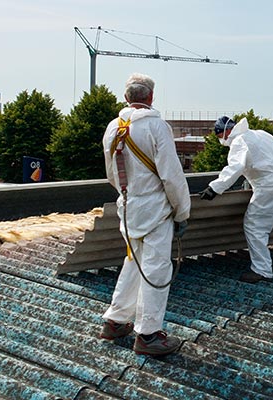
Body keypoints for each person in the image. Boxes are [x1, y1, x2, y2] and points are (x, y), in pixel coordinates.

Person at [99, 73, 191, 357]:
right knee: (155, 269)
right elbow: (172, 177)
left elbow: (112, 175)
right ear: (150, 97)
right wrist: (182, 211)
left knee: (134, 263)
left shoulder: (113, 128)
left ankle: (116, 321)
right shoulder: (157, 127)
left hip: (128, 208)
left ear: (126, 97)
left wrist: (132, 196)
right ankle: (149, 335)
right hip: (155, 211)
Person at [198, 116, 273, 283]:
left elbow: (235, 167)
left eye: (219, 137)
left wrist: (214, 188)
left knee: (255, 225)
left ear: (226, 131)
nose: (221, 140)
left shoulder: (239, 141)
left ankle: (262, 270)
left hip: (269, 186)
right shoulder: (262, 134)